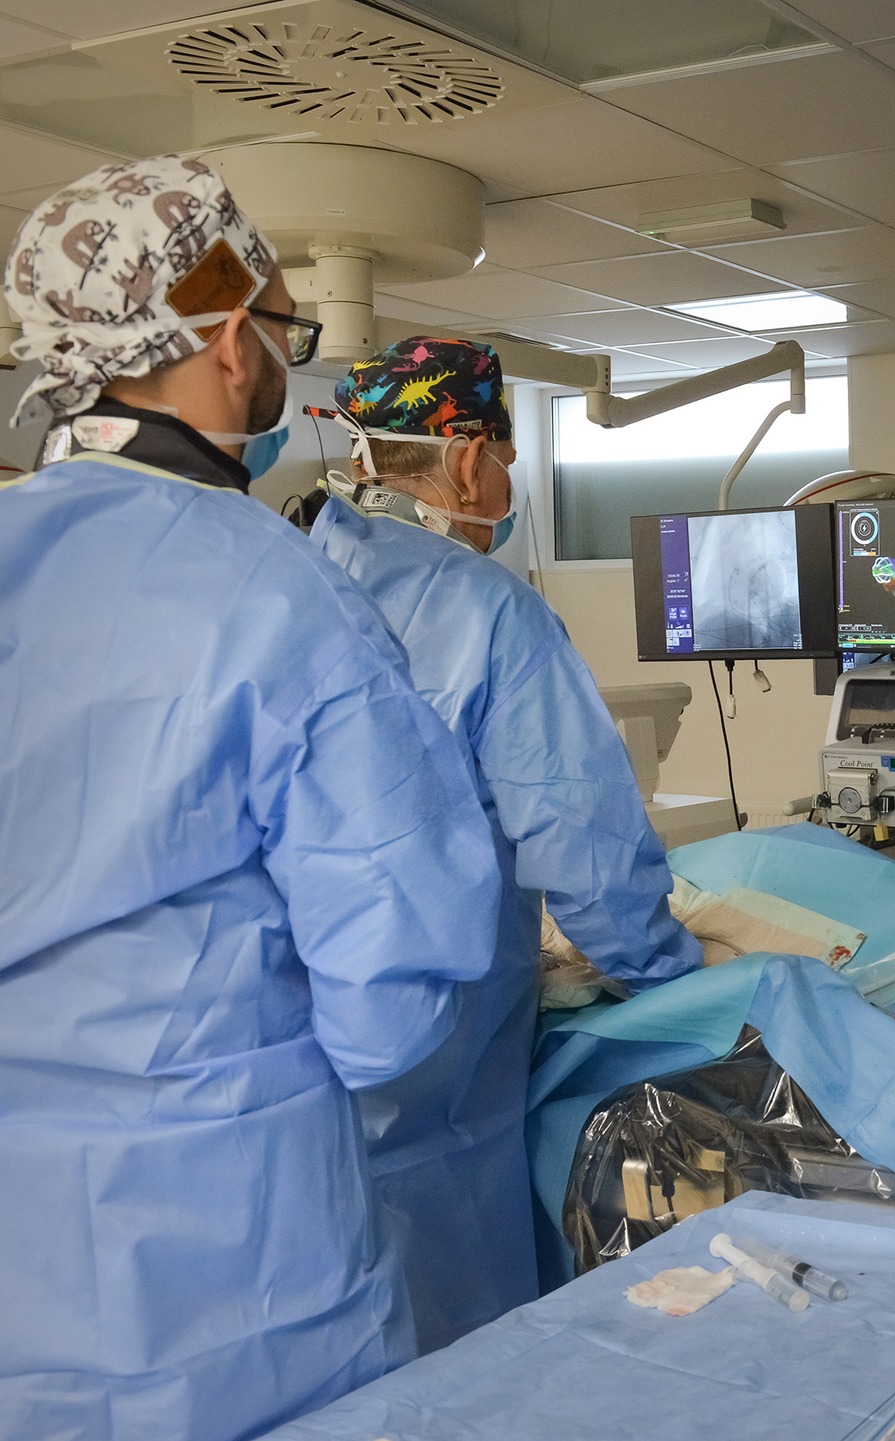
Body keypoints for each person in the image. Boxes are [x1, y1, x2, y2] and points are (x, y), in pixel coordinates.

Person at [0, 159, 504, 1441]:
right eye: (287, 326)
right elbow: (393, 988)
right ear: (231, 341)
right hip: (231, 1262)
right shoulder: (277, 592)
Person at [309, 336, 704, 1351]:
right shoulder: (489, 611)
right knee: (453, 1343)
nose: (508, 481)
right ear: (467, 457)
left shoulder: (289, 580)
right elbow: (581, 840)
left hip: (294, 1044)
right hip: (430, 1060)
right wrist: (671, 979)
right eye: (507, 455)